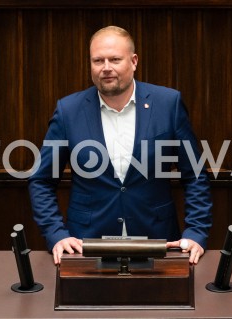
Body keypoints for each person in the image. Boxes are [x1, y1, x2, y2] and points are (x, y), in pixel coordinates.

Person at [28, 26, 212, 265]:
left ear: (133, 61)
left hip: (158, 242)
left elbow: (195, 175)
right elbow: (41, 180)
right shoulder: (68, 111)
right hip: (85, 247)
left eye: (115, 59)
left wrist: (196, 232)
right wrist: (56, 234)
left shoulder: (168, 103)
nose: (106, 68)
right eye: (97, 60)